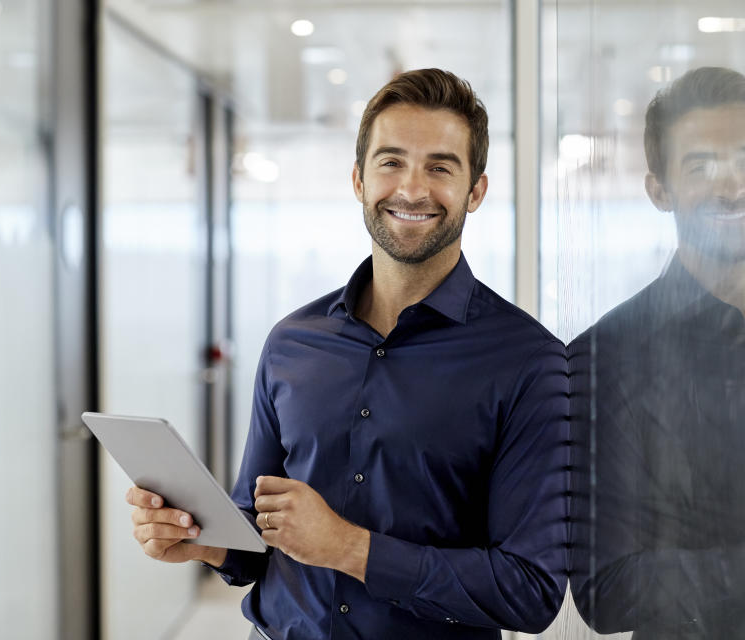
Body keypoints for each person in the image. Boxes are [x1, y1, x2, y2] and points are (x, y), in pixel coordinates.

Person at [127, 68, 569, 639]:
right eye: (391, 162)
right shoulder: (292, 343)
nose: (411, 189)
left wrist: (349, 548)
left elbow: (528, 592)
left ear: (475, 191)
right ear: (359, 180)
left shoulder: (529, 362)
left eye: (440, 167)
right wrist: (199, 539)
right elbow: (257, 535)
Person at [569, 67, 745, 639]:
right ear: (659, 190)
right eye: (701, 166)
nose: (733, 185)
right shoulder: (603, 360)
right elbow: (608, 587)